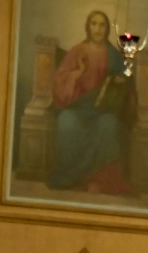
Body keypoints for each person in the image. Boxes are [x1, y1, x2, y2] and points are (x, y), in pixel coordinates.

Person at [46, 11, 135, 194]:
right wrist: (77, 74)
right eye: (94, 24)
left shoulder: (113, 54)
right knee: (65, 123)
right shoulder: (77, 51)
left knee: (109, 125)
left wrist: (122, 77)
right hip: (78, 108)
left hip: (102, 110)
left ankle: (98, 180)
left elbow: (127, 74)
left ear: (107, 29)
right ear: (88, 27)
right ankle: (69, 177)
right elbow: (60, 81)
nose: (97, 29)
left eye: (102, 25)